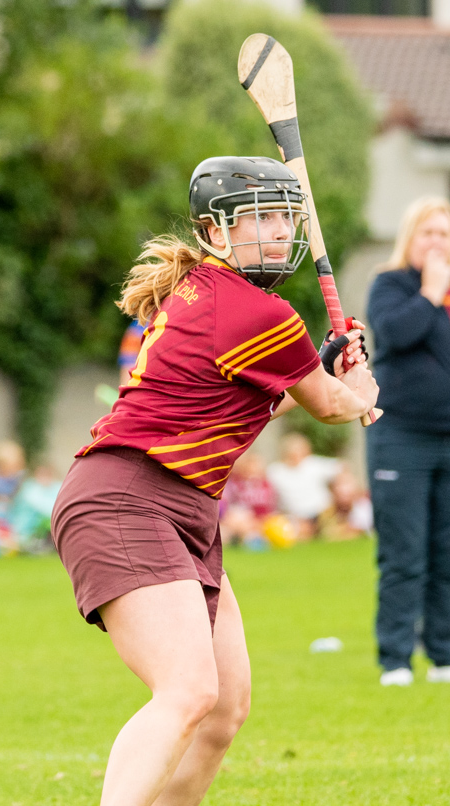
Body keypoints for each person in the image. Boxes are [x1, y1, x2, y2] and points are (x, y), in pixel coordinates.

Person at [50, 155, 378, 805]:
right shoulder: (260, 312)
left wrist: (322, 365)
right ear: (215, 232)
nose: (277, 232)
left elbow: (272, 391)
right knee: (187, 691)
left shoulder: (212, 292)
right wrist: (355, 385)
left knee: (221, 710)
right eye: (257, 218)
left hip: (181, 508)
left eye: (284, 218)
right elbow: (331, 406)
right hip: (127, 498)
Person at [367, 197, 450, 687]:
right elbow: (393, 335)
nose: (437, 242)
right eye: (427, 233)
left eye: (444, 234)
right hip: (402, 436)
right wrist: (428, 293)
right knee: (405, 554)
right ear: (410, 238)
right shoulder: (392, 284)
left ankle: (447, 653)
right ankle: (396, 659)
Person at [265, 433, 342, 539]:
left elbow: (341, 468)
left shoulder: (313, 464)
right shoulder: (276, 471)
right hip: (293, 516)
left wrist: (336, 491)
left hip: (321, 513)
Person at [219, 453, 276, 548]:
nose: (252, 472)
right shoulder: (235, 484)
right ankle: (246, 538)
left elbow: (270, 507)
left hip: (262, 520)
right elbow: (228, 507)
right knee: (231, 523)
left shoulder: (267, 485)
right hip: (243, 520)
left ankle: (250, 538)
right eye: (249, 468)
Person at [316, 470, 373, 542]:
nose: (344, 489)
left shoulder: (364, 507)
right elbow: (326, 533)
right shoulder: (327, 512)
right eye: (339, 486)